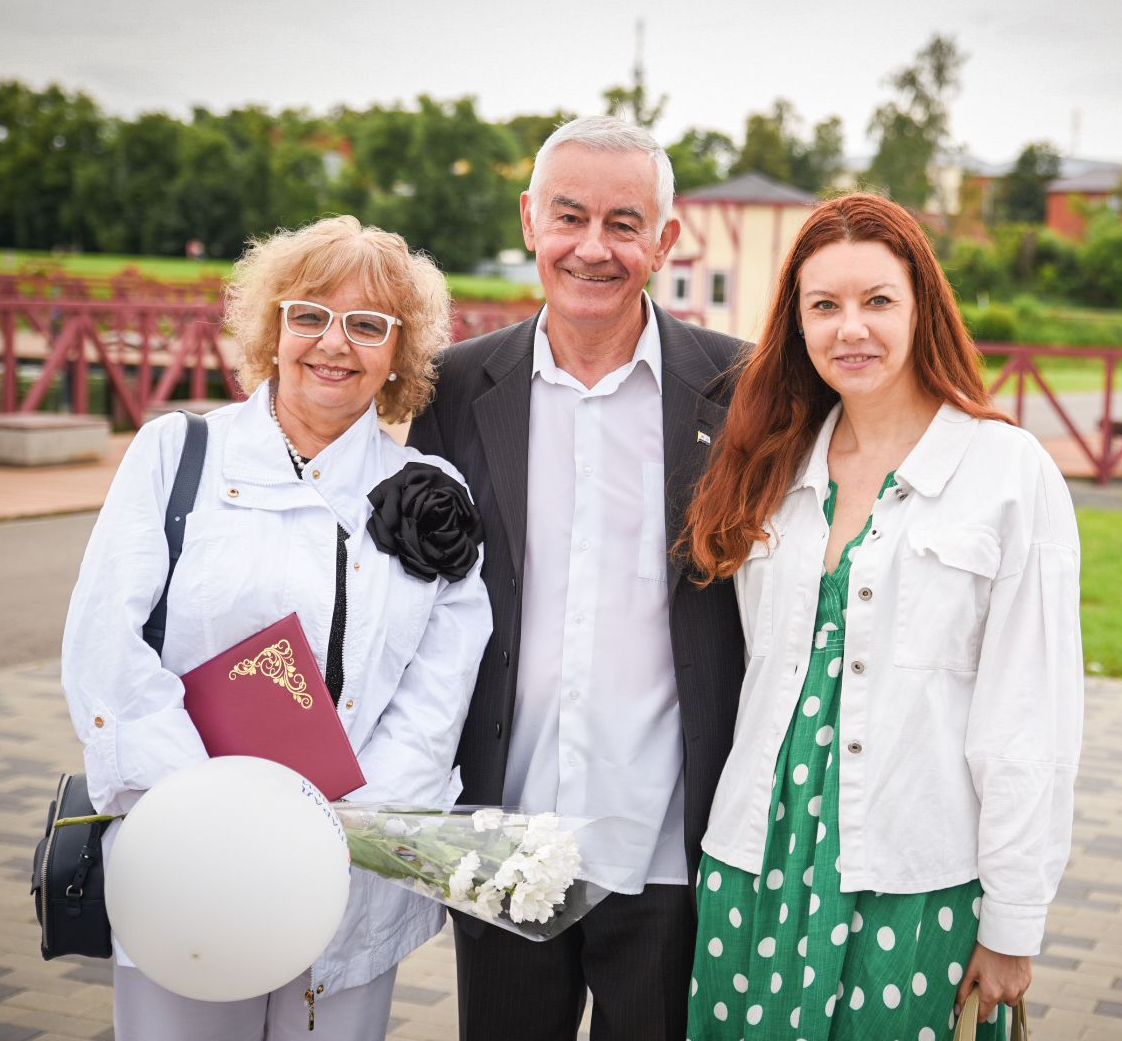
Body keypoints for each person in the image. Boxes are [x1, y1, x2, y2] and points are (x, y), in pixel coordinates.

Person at [61, 215, 492, 1039]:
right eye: (310, 316)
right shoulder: (175, 453)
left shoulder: (432, 491)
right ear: (273, 326)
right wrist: (216, 816)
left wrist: (333, 833)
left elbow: (438, 697)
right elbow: (106, 651)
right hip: (188, 858)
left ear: (399, 352)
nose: (335, 344)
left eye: (368, 325)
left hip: (347, 870)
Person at [683, 193, 1084, 1040]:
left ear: (922, 308)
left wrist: (1013, 922)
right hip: (758, 861)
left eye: (877, 302)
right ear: (796, 322)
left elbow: (1030, 718)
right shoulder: (771, 459)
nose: (849, 329)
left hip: (916, 874)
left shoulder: (1005, 471)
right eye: (823, 305)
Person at [408, 116, 748, 1041]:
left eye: (624, 223)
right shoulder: (452, 391)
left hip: (672, 839)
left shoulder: (742, 390)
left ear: (666, 240)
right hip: (506, 829)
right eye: (569, 217)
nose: (593, 248)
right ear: (530, 221)